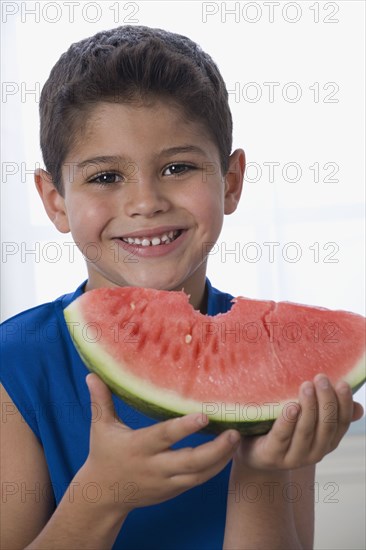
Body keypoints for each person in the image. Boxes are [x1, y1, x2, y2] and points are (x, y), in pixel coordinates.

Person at [1, 25, 363, 550]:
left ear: (231, 181)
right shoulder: (14, 368)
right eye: (105, 177)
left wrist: (260, 471)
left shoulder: (282, 368)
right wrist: (100, 497)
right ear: (55, 200)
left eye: (178, 167)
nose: (146, 202)